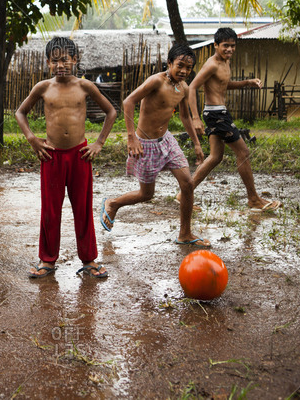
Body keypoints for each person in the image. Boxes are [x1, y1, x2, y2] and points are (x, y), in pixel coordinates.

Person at [15, 36, 117, 279]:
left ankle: (90, 261)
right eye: (55, 61)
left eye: (65, 60)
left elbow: (111, 111)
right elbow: (20, 112)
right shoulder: (43, 87)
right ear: (48, 63)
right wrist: (31, 138)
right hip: (51, 157)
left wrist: (99, 142)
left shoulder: (85, 86)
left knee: (82, 209)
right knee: (50, 210)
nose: (60, 65)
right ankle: (47, 261)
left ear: (75, 60)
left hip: (80, 156)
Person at [100, 44, 211, 247]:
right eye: (180, 65)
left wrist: (196, 143)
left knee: (187, 184)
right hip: (146, 145)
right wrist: (131, 137)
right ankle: (113, 204)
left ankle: (185, 233)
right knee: (146, 194)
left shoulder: (184, 88)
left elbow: (185, 117)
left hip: (167, 141)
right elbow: (128, 102)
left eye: (188, 67)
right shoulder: (155, 81)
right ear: (169, 63)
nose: (184, 71)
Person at [183, 27, 281, 212]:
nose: (229, 49)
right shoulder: (212, 64)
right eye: (225, 46)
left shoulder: (225, 62)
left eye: (232, 46)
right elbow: (193, 87)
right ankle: (253, 199)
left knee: (215, 157)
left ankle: (184, 194)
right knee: (243, 153)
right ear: (216, 45)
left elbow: (223, 85)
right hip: (215, 114)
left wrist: (247, 82)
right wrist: (195, 118)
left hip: (218, 112)